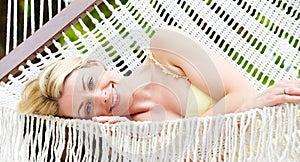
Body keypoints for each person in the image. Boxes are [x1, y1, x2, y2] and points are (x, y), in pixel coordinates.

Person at [17, 26, 300, 123]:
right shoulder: (142, 127)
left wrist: (242, 110)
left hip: (284, 114)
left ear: (95, 64)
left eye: (90, 83)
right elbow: (211, 155)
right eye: (87, 107)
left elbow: (244, 93)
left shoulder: (165, 47)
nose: (101, 96)